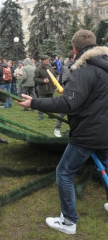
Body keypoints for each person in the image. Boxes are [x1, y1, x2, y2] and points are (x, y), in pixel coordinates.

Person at [17, 30, 108, 235]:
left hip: (88, 134)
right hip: (103, 131)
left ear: (75, 50)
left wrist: (34, 102)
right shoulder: (104, 66)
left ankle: (68, 221)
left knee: (64, 172)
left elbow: (68, 103)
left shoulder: (84, 70)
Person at [53, 51, 75, 137]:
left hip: (75, 93)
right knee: (63, 111)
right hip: (68, 94)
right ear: (72, 58)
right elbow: (64, 80)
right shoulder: (67, 67)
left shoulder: (77, 66)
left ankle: (73, 130)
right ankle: (57, 129)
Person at [33, 55, 56, 120]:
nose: (48, 60)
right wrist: (43, 81)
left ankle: (50, 114)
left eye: (48, 59)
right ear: (42, 61)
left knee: (51, 103)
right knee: (41, 103)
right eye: (46, 59)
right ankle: (40, 115)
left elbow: (54, 75)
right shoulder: (38, 69)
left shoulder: (50, 67)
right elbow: (35, 79)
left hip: (51, 88)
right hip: (43, 89)